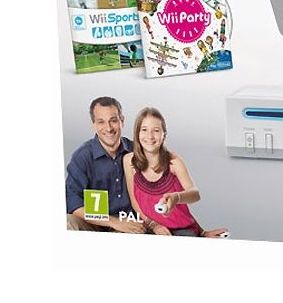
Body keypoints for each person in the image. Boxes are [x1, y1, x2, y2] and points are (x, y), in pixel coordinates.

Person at [122, 107, 227, 238]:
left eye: (156, 130)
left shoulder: (174, 162)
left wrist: (176, 197)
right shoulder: (128, 160)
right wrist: (154, 225)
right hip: (149, 227)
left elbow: (195, 194)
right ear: (137, 133)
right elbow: (134, 202)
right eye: (144, 130)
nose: (150, 136)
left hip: (180, 229)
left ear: (164, 134)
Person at [66, 96, 144, 233]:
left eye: (113, 120)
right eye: (101, 122)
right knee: (67, 221)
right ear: (94, 124)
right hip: (94, 222)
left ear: (122, 121)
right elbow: (72, 202)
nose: (108, 128)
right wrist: (113, 222)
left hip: (130, 222)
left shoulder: (137, 151)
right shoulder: (82, 156)